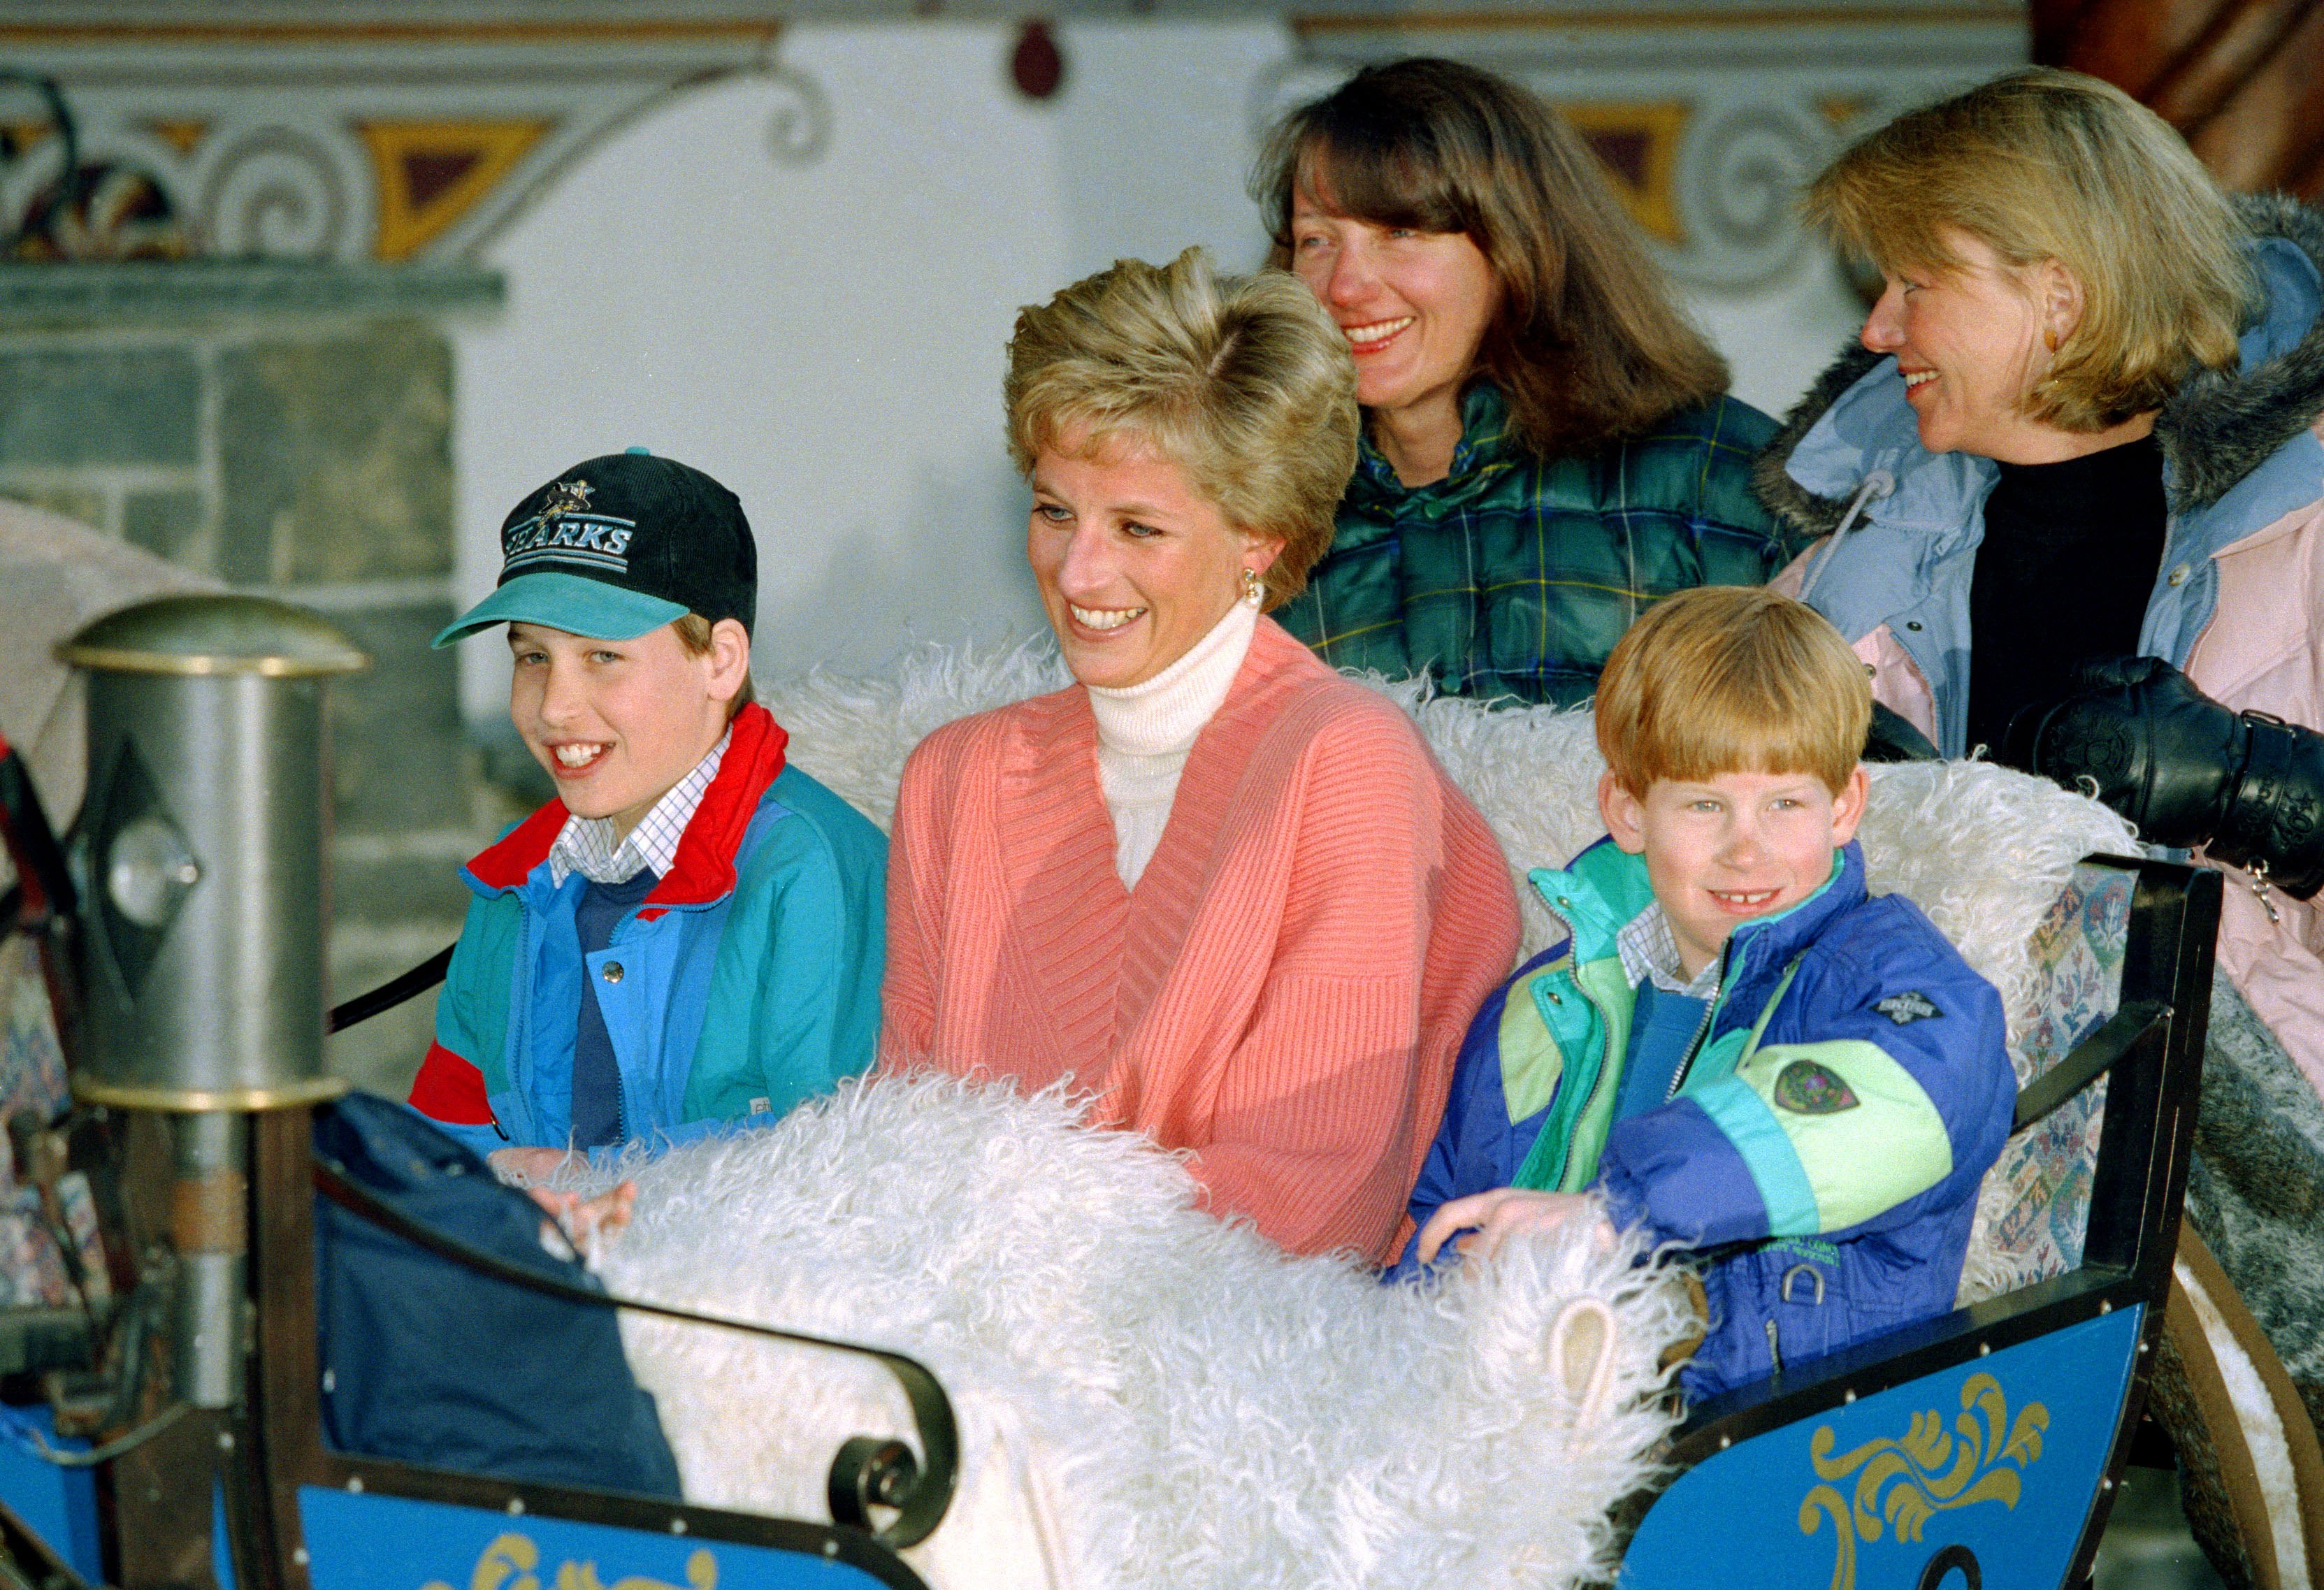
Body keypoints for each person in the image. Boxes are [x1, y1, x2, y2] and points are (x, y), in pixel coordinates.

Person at [880, 248, 1522, 1263]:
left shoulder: (1346, 761)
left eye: (1138, 526)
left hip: (1244, 1362)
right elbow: (898, 1144)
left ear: (1258, 539)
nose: (1079, 569)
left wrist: (1024, 1258)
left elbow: (1323, 1190)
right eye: (1055, 510)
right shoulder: (950, 778)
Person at [1756, 66, 2324, 1120]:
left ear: (2057, 296)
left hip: (2249, 1188)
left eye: (1915, 283)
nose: (1877, 331)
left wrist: (2258, 787)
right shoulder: (1850, 561)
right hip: (1935, 1140)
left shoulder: (2305, 531)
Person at [1401, 587, 2014, 1399]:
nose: (1745, 851)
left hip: (1788, 1445)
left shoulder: (1897, 982)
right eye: (1702, 804)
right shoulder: (1546, 1002)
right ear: (1627, 809)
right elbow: (1443, 1223)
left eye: (1785, 803)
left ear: (1844, 806)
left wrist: (1614, 1212)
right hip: (1524, 1411)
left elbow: (1912, 1103)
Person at [406, 449, 888, 1188]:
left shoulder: (809, 869)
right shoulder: (509, 887)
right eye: (532, 657)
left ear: (721, 662)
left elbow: (831, 1168)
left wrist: (577, 1184)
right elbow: (434, 1141)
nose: (555, 707)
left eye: (602, 655)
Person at [1253, 57, 1799, 707]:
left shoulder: (1722, 478)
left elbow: (1868, 771)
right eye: (1316, 240)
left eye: (1400, 232)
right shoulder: (1259, 514)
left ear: (1519, 247)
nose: (1344, 286)